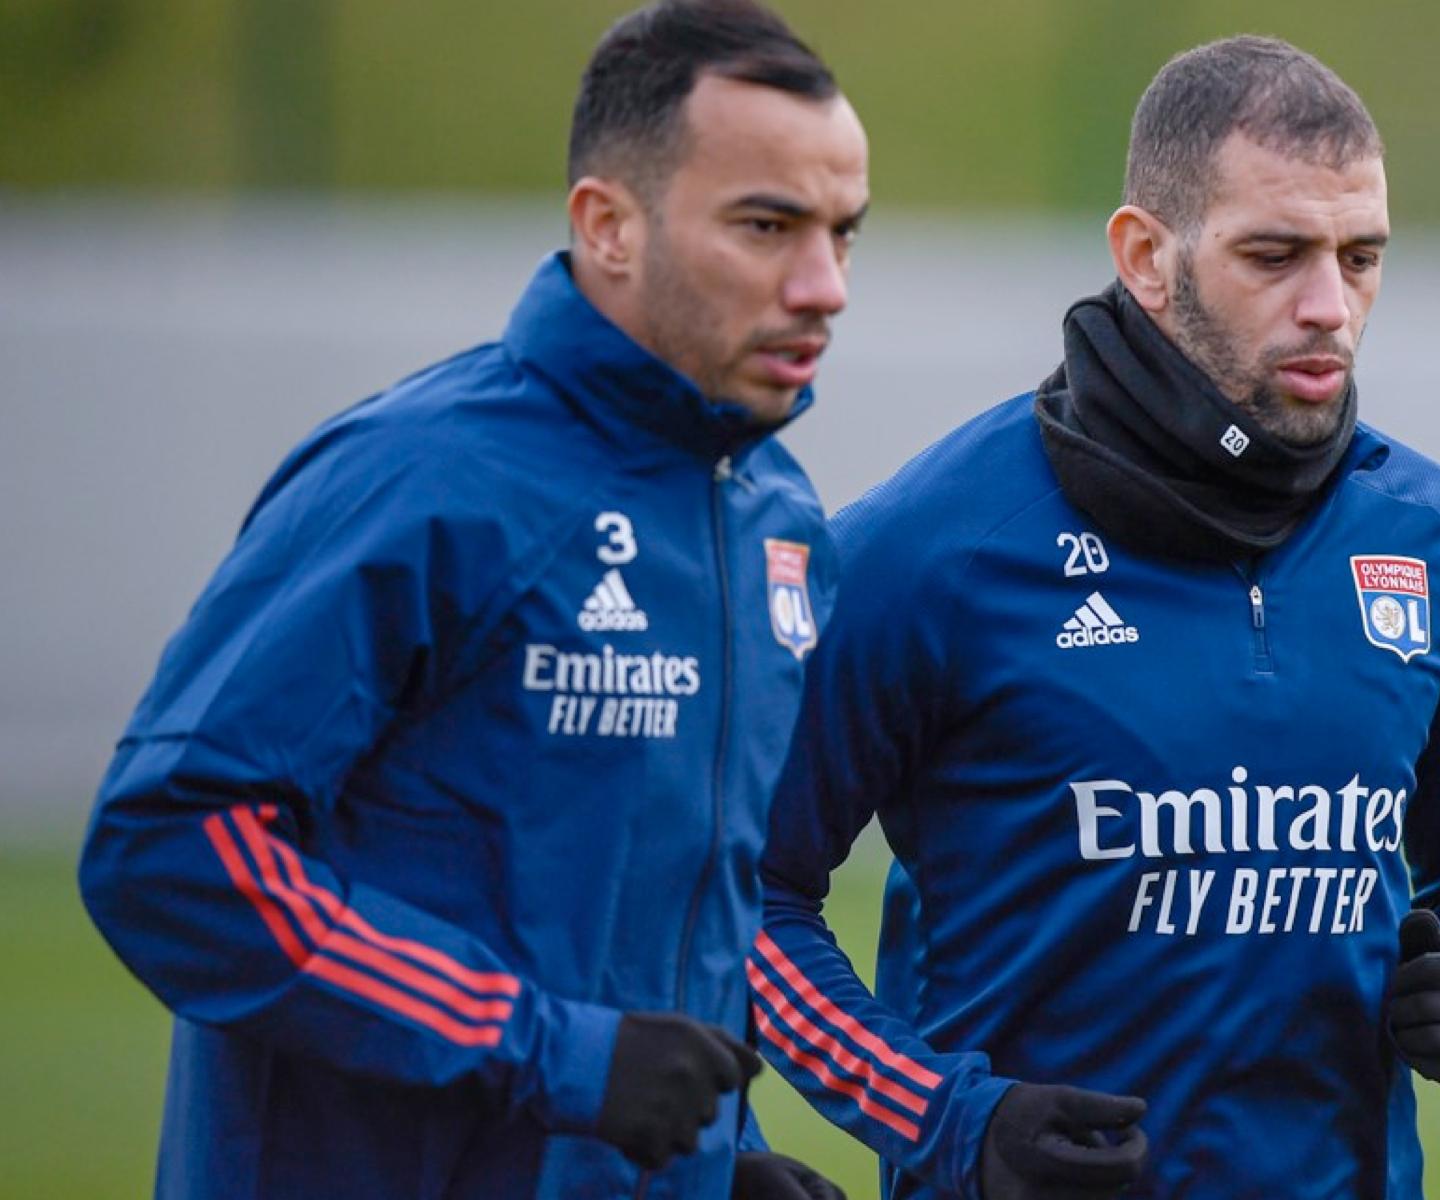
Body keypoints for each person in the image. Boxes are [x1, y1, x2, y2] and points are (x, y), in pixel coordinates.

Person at [747, 35, 1440, 1199]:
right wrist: (945, 1118)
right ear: (1144, 255)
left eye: (1361, 255)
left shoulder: (1437, 540)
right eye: (1273, 254)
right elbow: (748, 897)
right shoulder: (927, 546)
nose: (1328, 306)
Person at [76, 3, 862, 1197]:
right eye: (766, 226)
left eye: (843, 234)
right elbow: (171, 849)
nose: (823, 286)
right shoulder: (420, 481)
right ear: (607, 225)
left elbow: (679, 917)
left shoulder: (775, 521)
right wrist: (551, 1053)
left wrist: (714, 1155)